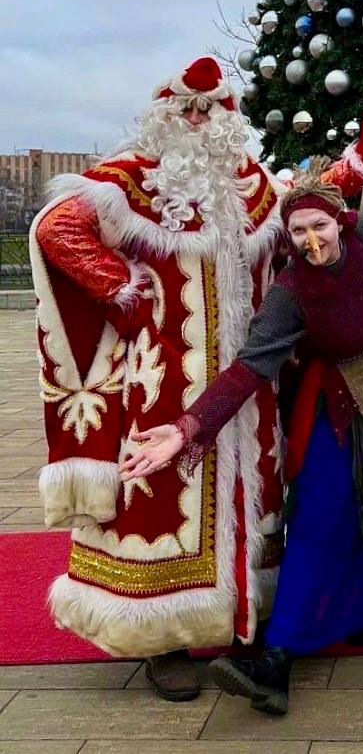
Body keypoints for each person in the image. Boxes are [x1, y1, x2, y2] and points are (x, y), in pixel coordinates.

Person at [120, 152, 363, 718]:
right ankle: (275, 661)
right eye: (298, 231)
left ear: (340, 223)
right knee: (321, 520)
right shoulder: (290, 292)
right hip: (339, 411)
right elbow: (249, 367)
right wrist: (186, 428)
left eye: (319, 225)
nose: (310, 238)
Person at [29, 57, 284, 701]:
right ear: (163, 116)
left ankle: (243, 620)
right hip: (163, 381)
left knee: (253, 492)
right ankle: (162, 638)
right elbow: (56, 227)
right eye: (186, 110)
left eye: (211, 109)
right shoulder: (131, 182)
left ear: (229, 118)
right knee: (163, 491)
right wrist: (124, 291)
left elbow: (309, 224)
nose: (199, 120)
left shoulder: (254, 186)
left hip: (249, 388)